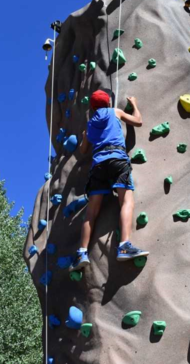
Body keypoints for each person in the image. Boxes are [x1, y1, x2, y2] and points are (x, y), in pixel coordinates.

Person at [71, 90, 150, 270]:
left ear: (92, 107)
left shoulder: (90, 124)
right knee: (126, 202)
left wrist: (85, 137)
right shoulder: (115, 112)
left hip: (98, 164)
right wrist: (135, 105)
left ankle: (81, 253)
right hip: (117, 160)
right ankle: (124, 246)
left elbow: (83, 150)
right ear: (108, 103)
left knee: (91, 212)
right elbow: (138, 121)